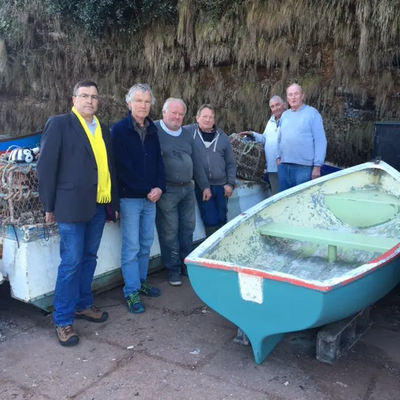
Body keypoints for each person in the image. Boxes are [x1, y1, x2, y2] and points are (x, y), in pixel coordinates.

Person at [36, 80, 119, 347]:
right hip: (70, 206)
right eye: (84, 95)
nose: (90, 101)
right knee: (70, 263)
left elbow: (109, 168)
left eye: (94, 96)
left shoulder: (103, 129)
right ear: (74, 99)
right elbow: (46, 167)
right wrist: (49, 205)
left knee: (89, 257)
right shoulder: (60, 124)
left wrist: (112, 203)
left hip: (97, 203)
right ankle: (62, 320)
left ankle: (83, 304)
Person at [111, 84, 166, 314]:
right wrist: (147, 190)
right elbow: (123, 169)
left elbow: (158, 162)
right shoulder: (119, 130)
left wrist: (160, 188)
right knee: (131, 246)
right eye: (139, 101)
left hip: (151, 197)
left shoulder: (153, 129)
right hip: (131, 198)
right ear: (129, 103)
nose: (143, 105)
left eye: (147, 101)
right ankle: (131, 290)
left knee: (145, 243)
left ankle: (141, 280)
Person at [154, 98, 211, 286]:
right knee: (169, 231)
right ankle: (173, 269)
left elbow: (196, 161)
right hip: (167, 191)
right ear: (163, 113)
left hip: (188, 188)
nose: (177, 117)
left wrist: (204, 185)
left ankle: (186, 264)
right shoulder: (154, 130)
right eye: (174, 113)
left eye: (180, 114)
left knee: (188, 228)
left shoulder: (187, 133)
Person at [185, 104, 236, 236]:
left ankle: (224, 248)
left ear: (214, 120)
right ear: (197, 118)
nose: (207, 120)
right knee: (210, 220)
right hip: (202, 185)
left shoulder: (223, 137)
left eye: (211, 117)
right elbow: (171, 128)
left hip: (221, 185)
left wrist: (230, 184)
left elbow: (230, 163)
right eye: (204, 116)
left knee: (222, 217)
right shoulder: (189, 133)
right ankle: (211, 249)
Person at [276, 83, 327, 191]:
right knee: (284, 202)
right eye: (290, 95)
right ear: (287, 98)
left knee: (301, 203)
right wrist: (277, 157)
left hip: (303, 168)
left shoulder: (313, 114)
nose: (293, 97)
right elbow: (279, 139)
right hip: (284, 167)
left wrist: (317, 166)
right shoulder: (285, 115)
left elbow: (320, 141)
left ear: (302, 96)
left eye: (296, 94)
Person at [238, 96, 286, 195]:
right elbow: (265, 139)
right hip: (272, 168)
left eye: (277, 105)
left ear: (284, 105)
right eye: (272, 106)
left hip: (286, 166)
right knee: (277, 196)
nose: (275, 108)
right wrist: (252, 134)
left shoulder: (290, 119)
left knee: (288, 195)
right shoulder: (271, 121)